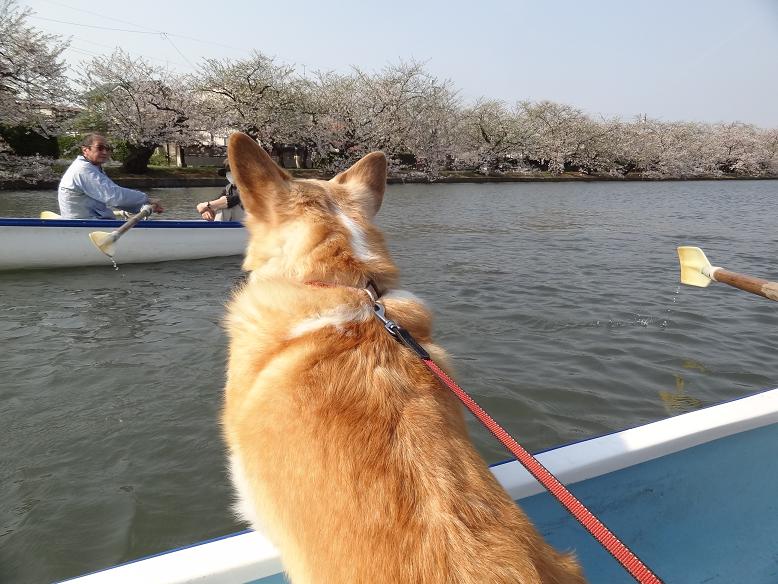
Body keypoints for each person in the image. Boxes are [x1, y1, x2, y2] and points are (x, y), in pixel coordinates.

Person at [58, 133, 164, 219]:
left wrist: (141, 205)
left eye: (107, 148)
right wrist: (146, 200)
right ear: (85, 150)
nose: (105, 152)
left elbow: (112, 194)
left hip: (91, 220)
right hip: (85, 224)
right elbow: (114, 196)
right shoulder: (83, 170)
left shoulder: (91, 167)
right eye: (100, 148)